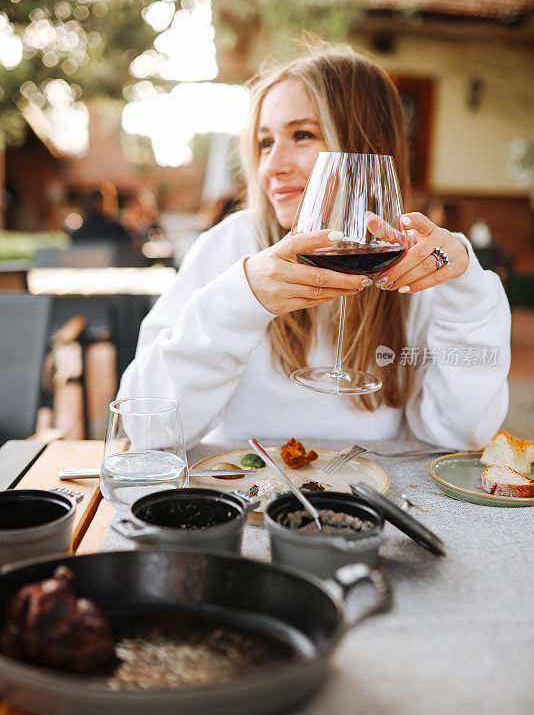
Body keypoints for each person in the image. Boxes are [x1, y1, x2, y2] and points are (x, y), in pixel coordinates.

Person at [118, 44, 510, 451]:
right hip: (243, 494)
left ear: (371, 146)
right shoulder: (228, 246)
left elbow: (463, 435)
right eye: (265, 142)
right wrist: (241, 298)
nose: (272, 165)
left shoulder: (418, 262)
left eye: (302, 135)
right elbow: (147, 428)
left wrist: (465, 293)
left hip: (372, 497)